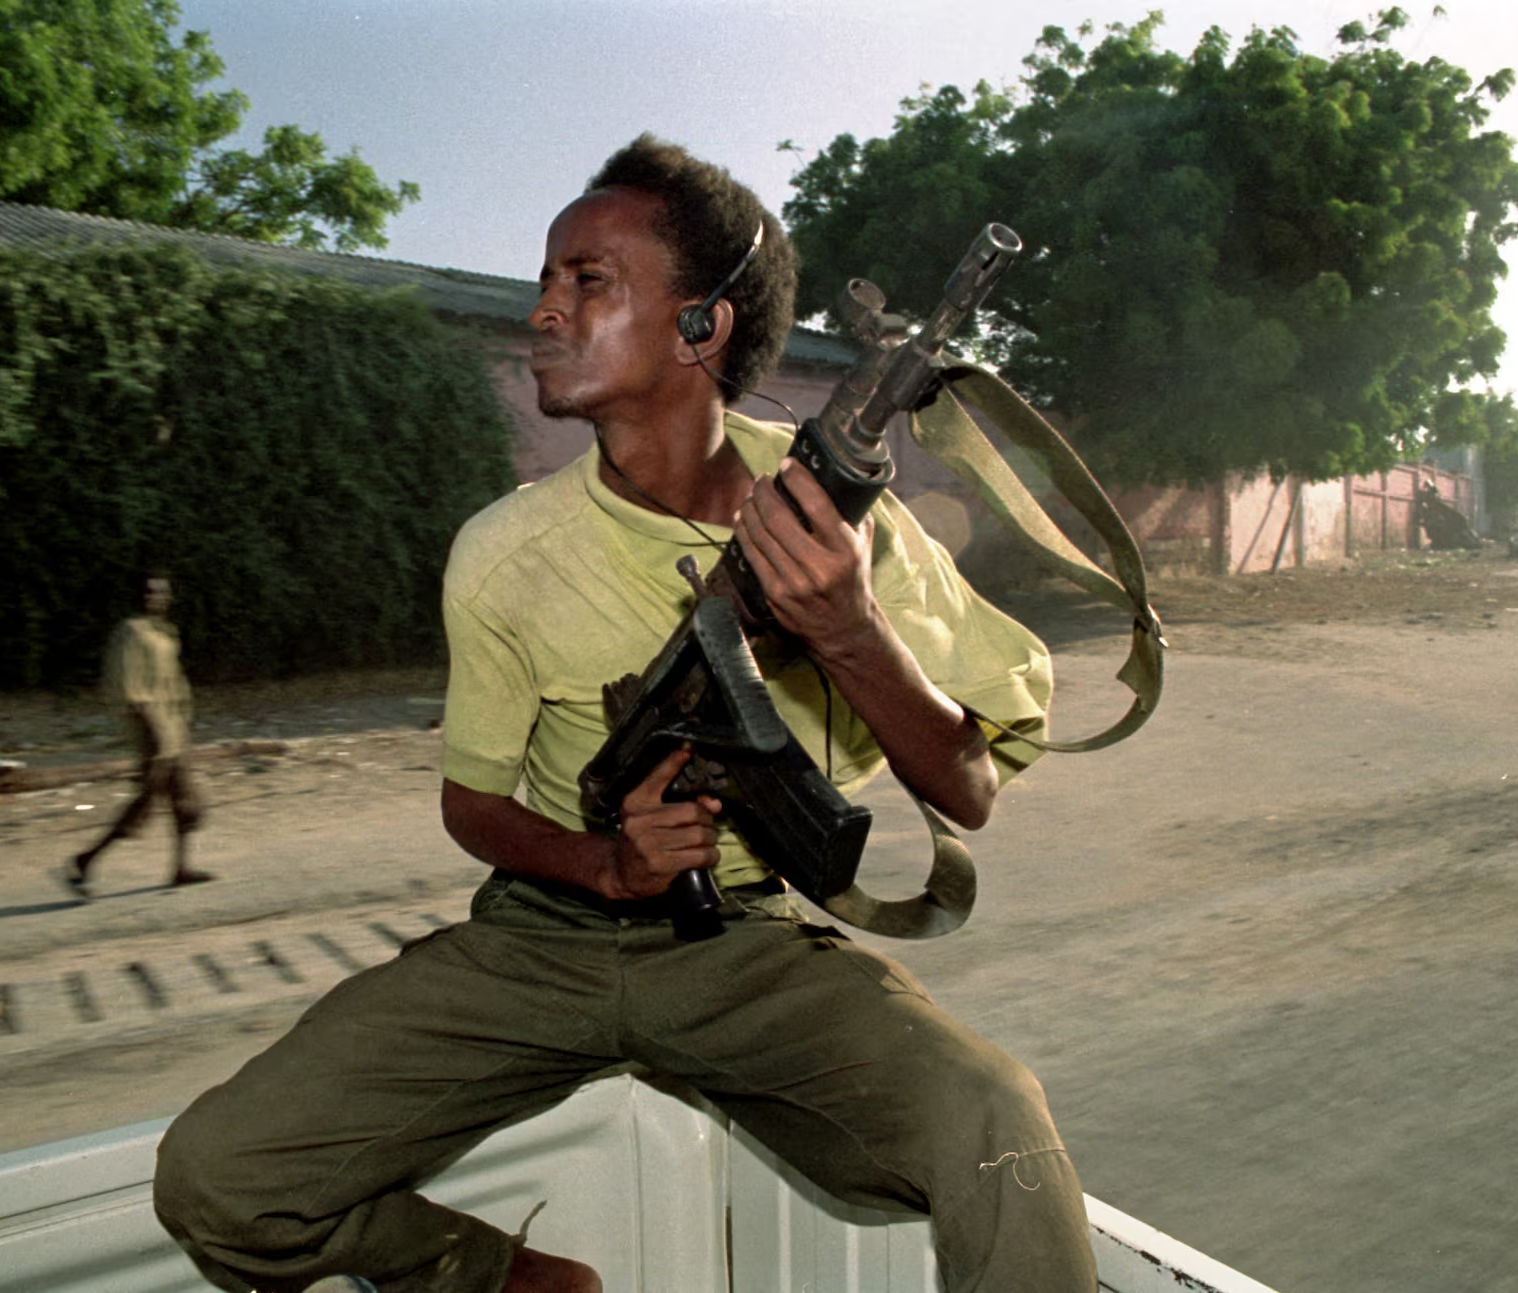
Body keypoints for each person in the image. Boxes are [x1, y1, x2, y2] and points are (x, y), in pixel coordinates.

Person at [153, 136, 1095, 1292]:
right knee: (218, 1177)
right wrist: (606, 865)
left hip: (740, 946)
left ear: (704, 327)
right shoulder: (506, 551)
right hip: (541, 937)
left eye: (587, 281)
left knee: (997, 1121)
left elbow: (967, 790)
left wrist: (850, 628)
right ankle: (517, 1284)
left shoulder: (839, 525)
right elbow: (473, 805)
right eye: (547, 279)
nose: (544, 311)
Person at [64, 574, 213, 895]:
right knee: (145, 803)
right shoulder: (130, 633)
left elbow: (175, 682)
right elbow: (126, 686)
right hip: (153, 733)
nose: (155, 597)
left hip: (173, 730)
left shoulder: (165, 633)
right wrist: (152, 729)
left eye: (161, 593)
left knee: (186, 801)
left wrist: (182, 720)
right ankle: (85, 860)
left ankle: (181, 868)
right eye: (149, 592)